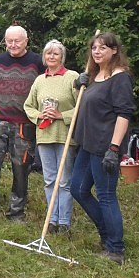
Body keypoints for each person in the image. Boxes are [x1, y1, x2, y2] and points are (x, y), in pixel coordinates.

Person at [70, 32, 135, 265]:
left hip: (105, 147)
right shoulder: (94, 76)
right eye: (94, 48)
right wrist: (80, 85)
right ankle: (107, 233)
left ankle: (116, 249)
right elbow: (86, 105)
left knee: (106, 196)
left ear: (114, 51)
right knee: (77, 189)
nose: (97, 52)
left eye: (103, 48)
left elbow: (124, 114)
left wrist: (114, 148)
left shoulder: (120, 78)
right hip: (87, 144)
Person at [0, 25, 45, 223]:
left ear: (26, 41)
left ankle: (17, 213)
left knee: (21, 169)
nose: (13, 45)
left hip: (25, 125)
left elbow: (46, 85)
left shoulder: (37, 62)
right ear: (5, 41)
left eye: (17, 41)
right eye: (9, 41)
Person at [23, 40, 79, 234]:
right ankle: (52, 220)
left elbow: (82, 106)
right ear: (44, 57)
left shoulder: (72, 77)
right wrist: (39, 116)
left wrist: (61, 116)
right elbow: (28, 105)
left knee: (64, 181)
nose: (52, 57)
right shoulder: (39, 80)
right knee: (49, 179)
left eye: (56, 53)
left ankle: (64, 222)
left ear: (62, 57)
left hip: (65, 136)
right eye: (48, 54)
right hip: (44, 136)